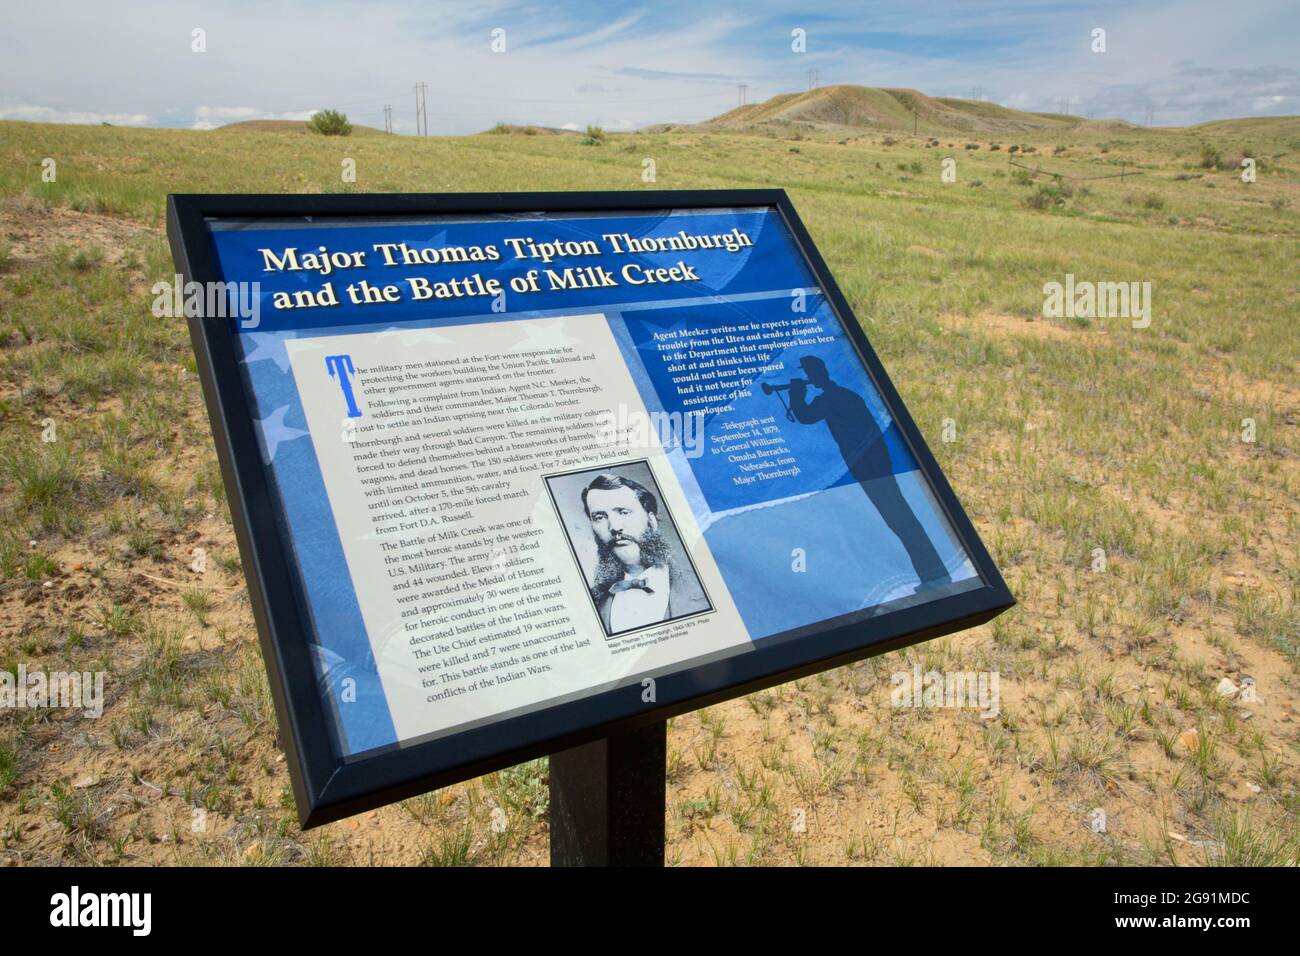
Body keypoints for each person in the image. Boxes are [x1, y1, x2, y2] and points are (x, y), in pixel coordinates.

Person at [787, 355, 952, 593]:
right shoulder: (846, 395)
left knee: (900, 520)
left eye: (809, 374)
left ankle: (934, 576)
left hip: (868, 467)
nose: (809, 378)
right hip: (877, 464)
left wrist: (795, 393)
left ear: (815, 375)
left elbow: (805, 416)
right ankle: (934, 574)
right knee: (902, 518)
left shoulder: (831, 398)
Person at [581, 473, 708, 634]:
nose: (614, 526)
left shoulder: (703, 586)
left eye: (623, 512)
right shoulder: (591, 604)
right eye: (599, 517)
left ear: (652, 520)